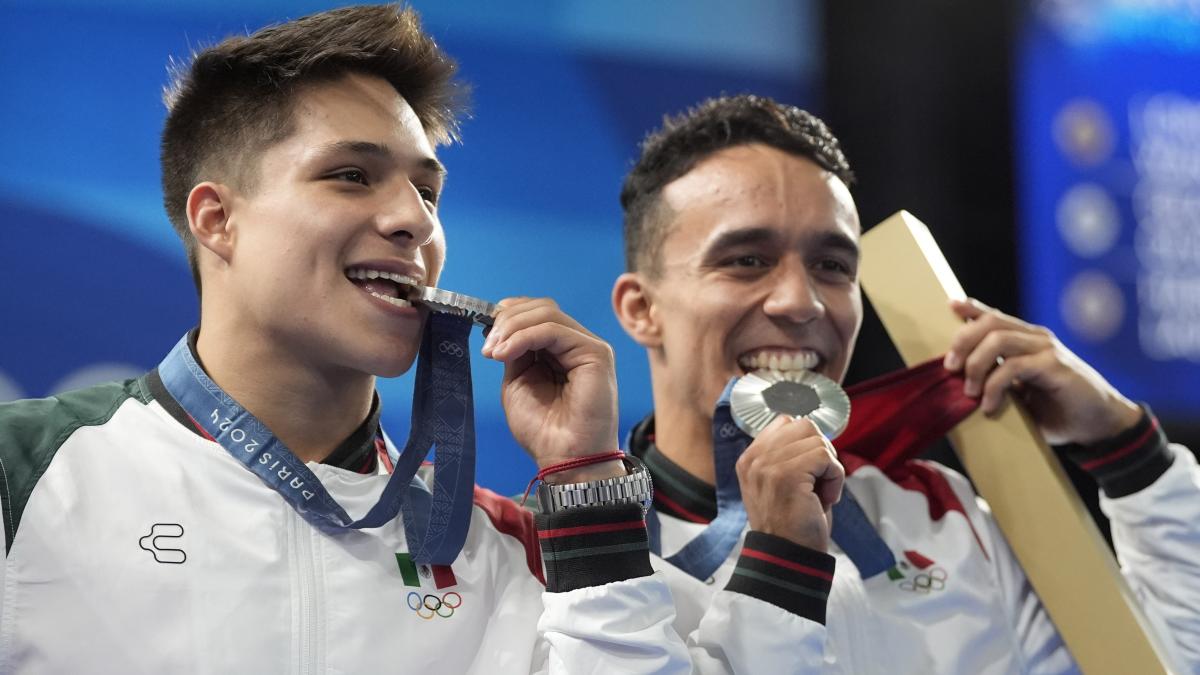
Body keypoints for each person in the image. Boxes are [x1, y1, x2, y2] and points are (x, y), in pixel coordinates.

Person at [0, 6, 699, 673]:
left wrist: (585, 480)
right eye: (351, 176)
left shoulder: (512, 546)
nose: (414, 221)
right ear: (217, 219)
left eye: (428, 192)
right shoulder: (20, 472)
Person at [610, 94, 1200, 672]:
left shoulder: (943, 516)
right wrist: (779, 565)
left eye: (833, 266)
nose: (802, 302)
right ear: (642, 309)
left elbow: (1152, 664)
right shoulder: (580, 559)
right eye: (746, 260)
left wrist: (1128, 451)